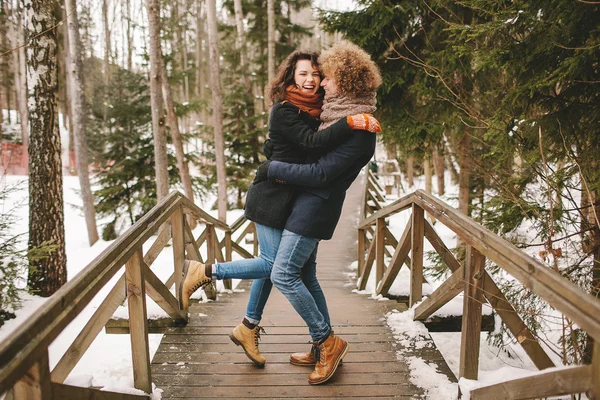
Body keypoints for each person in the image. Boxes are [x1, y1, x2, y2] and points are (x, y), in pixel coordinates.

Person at [178, 47, 379, 373]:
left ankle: (291, 335)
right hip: (274, 198)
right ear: (290, 77)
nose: (318, 81)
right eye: (307, 74)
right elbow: (304, 146)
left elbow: (319, 165)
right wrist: (273, 165)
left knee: (289, 272)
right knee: (281, 268)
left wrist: (274, 165)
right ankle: (313, 340)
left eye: (321, 75)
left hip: (308, 204)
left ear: (343, 81)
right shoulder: (302, 112)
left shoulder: (340, 120)